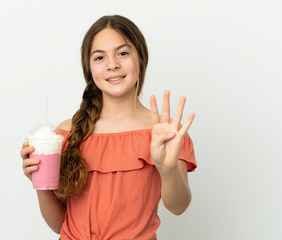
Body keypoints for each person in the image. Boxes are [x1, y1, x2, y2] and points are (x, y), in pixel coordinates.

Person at [20, 15, 196, 240]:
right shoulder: (65, 134)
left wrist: (167, 169)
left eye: (122, 53)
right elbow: (58, 225)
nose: (112, 64)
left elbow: (178, 206)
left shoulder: (164, 131)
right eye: (99, 57)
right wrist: (41, 182)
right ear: (90, 68)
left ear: (140, 58)